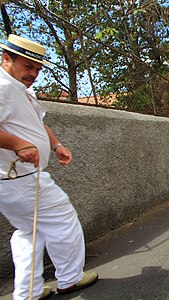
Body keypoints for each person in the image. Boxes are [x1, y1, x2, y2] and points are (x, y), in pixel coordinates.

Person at [0, 35, 98, 299]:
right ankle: (69, 278)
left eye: (37, 69)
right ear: (6, 58)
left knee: (29, 231)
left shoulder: (21, 89)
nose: (33, 74)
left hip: (15, 181)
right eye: (28, 66)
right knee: (63, 219)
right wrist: (18, 143)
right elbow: (21, 134)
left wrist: (56, 146)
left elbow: (37, 123)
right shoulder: (2, 86)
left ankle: (28, 292)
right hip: (20, 178)